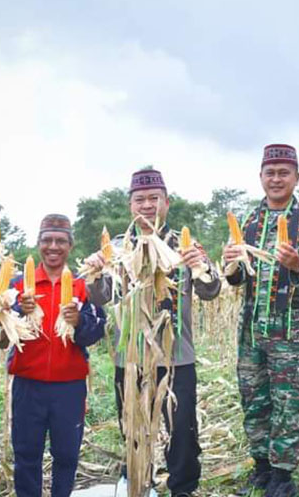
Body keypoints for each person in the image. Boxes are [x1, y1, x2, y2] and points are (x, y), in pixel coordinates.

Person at [84, 168, 221, 497]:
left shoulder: (184, 245)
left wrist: (202, 264)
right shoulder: (116, 249)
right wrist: (93, 272)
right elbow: (100, 296)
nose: (147, 206)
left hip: (177, 358)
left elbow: (211, 290)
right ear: (130, 205)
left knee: (182, 432)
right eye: (139, 200)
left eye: (153, 199)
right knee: (133, 429)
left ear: (167, 203)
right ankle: (136, 484)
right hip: (129, 359)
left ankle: (182, 488)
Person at [222, 144, 299, 497]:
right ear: (260, 178)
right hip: (252, 332)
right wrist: (232, 265)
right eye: (269, 173)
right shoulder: (249, 223)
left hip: (292, 333)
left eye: (283, 173)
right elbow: (239, 279)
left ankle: (283, 475)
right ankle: (261, 467)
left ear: (297, 178)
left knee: (289, 404)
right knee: (255, 399)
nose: (276, 179)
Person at [9, 214, 105, 496]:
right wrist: (19, 311)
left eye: (61, 241)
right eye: (47, 240)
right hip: (29, 385)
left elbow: (96, 333)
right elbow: (3, 332)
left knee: (66, 455)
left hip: (69, 387)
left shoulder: (83, 285)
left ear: (70, 246)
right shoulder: (18, 286)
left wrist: (78, 322)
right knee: (27, 455)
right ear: (38, 244)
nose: (54, 246)